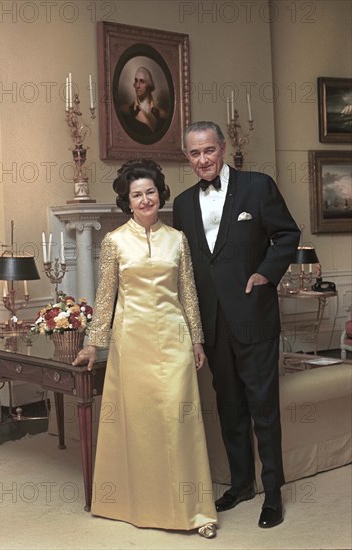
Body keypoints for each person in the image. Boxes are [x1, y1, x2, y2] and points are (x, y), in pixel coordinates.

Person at [73, 159, 218, 539]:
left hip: (175, 340)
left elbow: (188, 293)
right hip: (132, 342)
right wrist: (93, 344)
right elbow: (105, 297)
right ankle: (136, 505)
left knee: (180, 420)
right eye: (136, 194)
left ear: (160, 194)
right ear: (128, 200)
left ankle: (196, 510)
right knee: (141, 425)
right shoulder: (114, 241)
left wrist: (197, 339)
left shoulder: (178, 239)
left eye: (150, 191)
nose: (144, 199)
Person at [173, 121, 301, 529]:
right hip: (211, 321)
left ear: (222, 149)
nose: (203, 159)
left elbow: (287, 234)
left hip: (252, 313)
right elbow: (188, 264)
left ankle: (273, 493)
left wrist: (265, 274)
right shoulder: (182, 203)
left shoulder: (258, 186)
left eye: (209, 150)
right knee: (229, 406)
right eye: (194, 154)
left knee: (263, 407)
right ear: (188, 158)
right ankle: (242, 483)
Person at [120, 67, 168, 138]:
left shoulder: (161, 115)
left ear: (149, 85)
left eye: (142, 81)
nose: (138, 85)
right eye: (136, 81)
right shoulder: (126, 112)